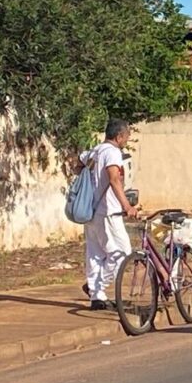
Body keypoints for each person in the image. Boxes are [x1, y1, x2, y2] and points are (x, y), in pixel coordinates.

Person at [80, 119, 138, 311]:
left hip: (90, 209)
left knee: (95, 254)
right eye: (127, 136)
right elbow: (114, 179)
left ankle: (97, 297)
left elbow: (77, 164)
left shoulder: (94, 151)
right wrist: (127, 206)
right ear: (119, 136)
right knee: (121, 253)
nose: (127, 139)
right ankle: (95, 286)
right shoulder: (112, 153)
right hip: (108, 211)